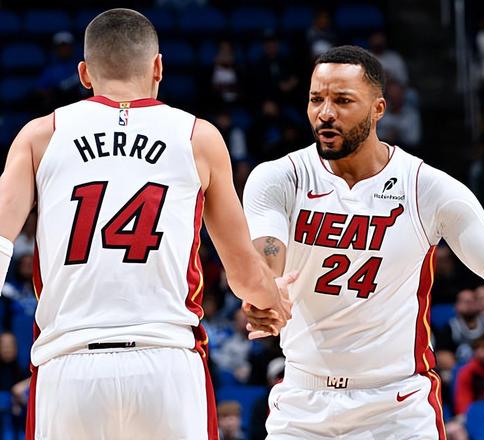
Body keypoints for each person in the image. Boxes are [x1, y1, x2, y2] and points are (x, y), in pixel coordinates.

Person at [0, 9, 292, 440]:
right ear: (158, 67)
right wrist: (272, 302)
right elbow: (246, 275)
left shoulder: (39, 136)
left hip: (69, 366)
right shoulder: (198, 137)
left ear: (84, 73)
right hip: (166, 363)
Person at [241, 45, 484, 439]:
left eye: (342, 101)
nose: (325, 113)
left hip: (397, 407)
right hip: (303, 400)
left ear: (378, 109)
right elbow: (267, 258)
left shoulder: (425, 188)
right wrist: (265, 294)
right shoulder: (279, 178)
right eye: (316, 99)